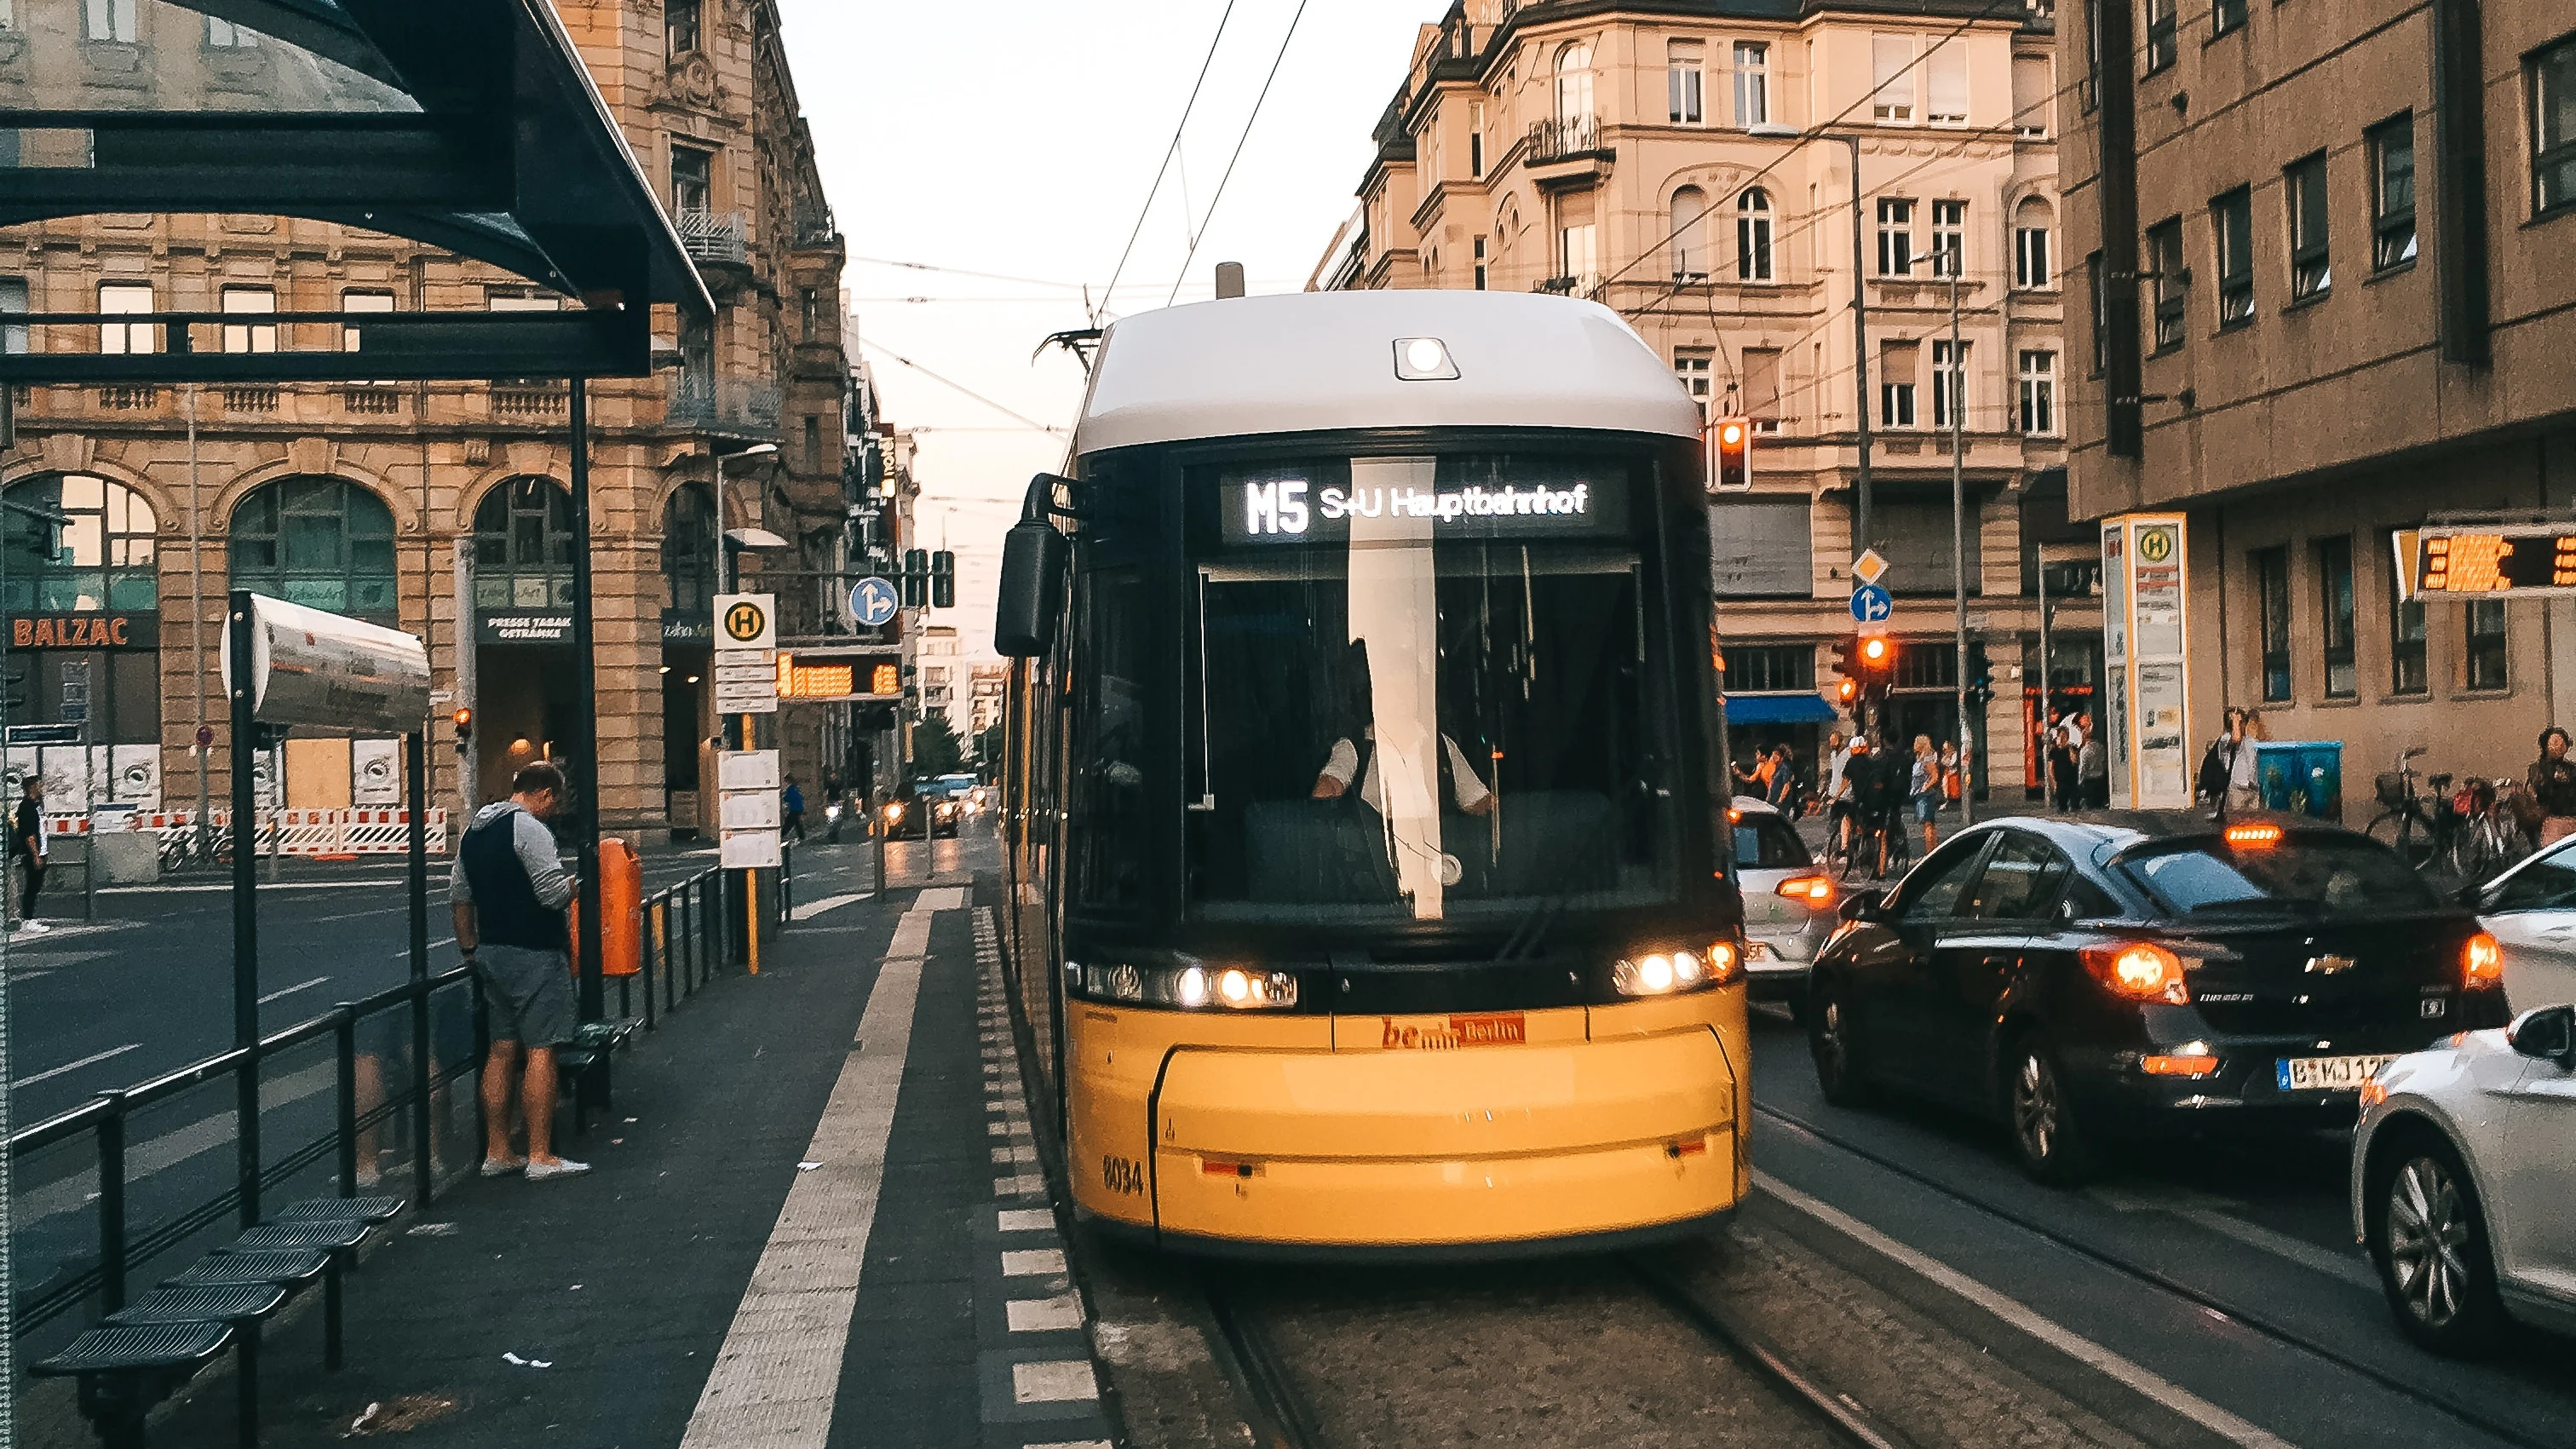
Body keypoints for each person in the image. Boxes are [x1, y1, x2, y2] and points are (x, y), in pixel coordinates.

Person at [451, 761, 589, 1182]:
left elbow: (459, 895)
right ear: (543, 793)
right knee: (541, 1049)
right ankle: (540, 1155)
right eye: (556, 800)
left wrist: (470, 949)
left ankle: (496, 1151)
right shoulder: (530, 830)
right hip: (535, 952)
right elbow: (549, 895)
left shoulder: (474, 831)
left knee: (500, 1050)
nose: (555, 808)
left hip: (491, 952)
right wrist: (576, 884)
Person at [7, 776, 45, 934]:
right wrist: (36, 855)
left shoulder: (36, 806)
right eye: (39, 785)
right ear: (31, 787)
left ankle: (29, 918)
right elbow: (30, 835)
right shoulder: (27, 807)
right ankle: (27, 920)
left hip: (38, 850)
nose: (42, 787)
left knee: (35, 886)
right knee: (31, 886)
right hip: (31, 853)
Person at [2529, 727, 2576, 847]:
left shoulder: (2571, 769)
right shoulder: (2537, 768)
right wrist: (2553, 781)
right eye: (2555, 742)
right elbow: (2540, 794)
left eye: (2563, 743)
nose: (2559, 746)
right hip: (2552, 821)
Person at [1909, 735, 1942, 854]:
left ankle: (1930, 850)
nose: (1914, 745)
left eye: (1916, 742)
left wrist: (1925, 787)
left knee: (1927, 824)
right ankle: (1933, 849)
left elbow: (1935, 776)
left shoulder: (1926, 759)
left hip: (1925, 795)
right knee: (1929, 824)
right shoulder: (1921, 758)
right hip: (1922, 794)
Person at [2078, 711, 2109, 809]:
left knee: (2090, 805)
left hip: (2089, 780)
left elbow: (2083, 768)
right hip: (2100, 778)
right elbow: (2104, 762)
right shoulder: (2100, 747)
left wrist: (2080, 781)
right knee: (2098, 804)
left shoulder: (2085, 751)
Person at [780, 775, 806, 842]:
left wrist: (783, 797)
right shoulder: (796, 788)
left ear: (788, 781)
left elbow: (789, 798)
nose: (785, 783)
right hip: (799, 808)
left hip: (794, 808)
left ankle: (782, 835)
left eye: (785, 781)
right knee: (797, 823)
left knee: (789, 823)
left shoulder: (791, 788)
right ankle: (802, 837)